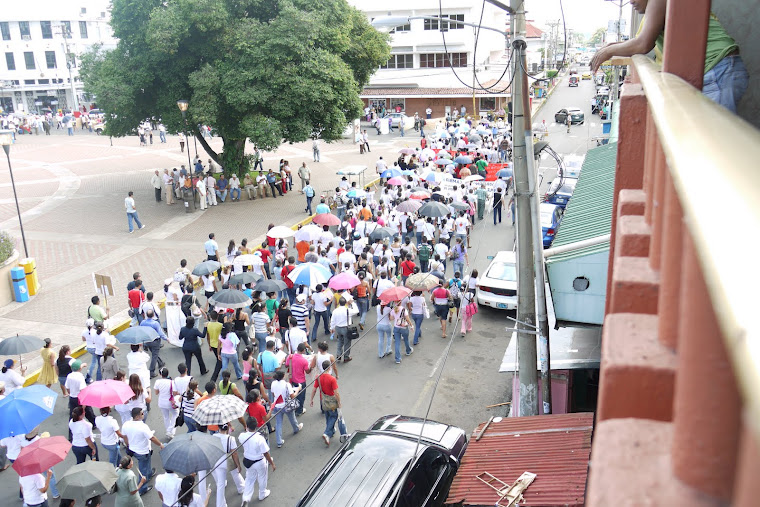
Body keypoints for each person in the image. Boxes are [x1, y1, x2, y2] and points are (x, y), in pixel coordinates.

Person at [590, 0, 748, 113]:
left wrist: (608, 52)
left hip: (717, 68)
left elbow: (643, 44)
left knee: (713, 144)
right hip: (719, 69)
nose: (631, 1)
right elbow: (640, 41)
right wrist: (611, 47)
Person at [121, 407, 164, 495]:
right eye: (142, 413)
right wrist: (160, 444)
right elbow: (152, 437)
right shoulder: (143, 427)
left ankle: (149, 473)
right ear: (137, 417)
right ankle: (142, 488)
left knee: (146, 464)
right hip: (143, 451)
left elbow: (124, 437)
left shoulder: (126, 424)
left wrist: (128, 445)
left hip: (133, 449)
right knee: (143, 469)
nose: (143, 414)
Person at [310, 360, 347, 446]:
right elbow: (336, 393)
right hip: (332, 402)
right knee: (334, 416)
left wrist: (311, 400)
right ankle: (326, 433)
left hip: (323, 400)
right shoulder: (332, 379)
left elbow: (314, 389)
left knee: (328, 416)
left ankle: (330, 433)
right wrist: (339, 402)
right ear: (329, 367)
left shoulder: (318, 377)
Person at [239, 417, 275, 504]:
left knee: (249, 479)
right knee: (262, 477)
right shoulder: (259, 438)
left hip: (248, 460)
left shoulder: (242, 436)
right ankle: (262, 493)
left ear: (247, 426)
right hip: (259, 461)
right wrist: (272, 463)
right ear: (256, 426)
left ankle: (246, 498)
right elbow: (266, 453)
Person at [211, 424, 245, 507]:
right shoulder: (231, 439)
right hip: (228, 459)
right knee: (235, 473)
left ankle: (220, 504)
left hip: (217, 460)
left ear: (218, 427)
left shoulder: (214, 436)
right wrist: (238, 465)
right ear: (227, 428)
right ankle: (241, 488)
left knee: (220, 484)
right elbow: (235, 454)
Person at [270, 370, 303, 448]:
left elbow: (273, 394)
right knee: (292, 418)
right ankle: (296, 428)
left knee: (278, 423)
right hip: (286, 405)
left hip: (277, 405)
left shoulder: (273, 383)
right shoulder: (286, 384)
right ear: (283, 376)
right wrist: (298, 389)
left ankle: (279, 441)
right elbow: (292, 396)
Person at [154, 368, 179, 441]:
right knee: (175, 414)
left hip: (161, 402)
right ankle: (170, 430)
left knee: (166, 417)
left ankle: (169, 431)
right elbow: (174, 393)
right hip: (170, 402)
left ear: (160, 374)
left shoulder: (157, 382)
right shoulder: (171, 382)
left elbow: (156, 392)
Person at [330, 297, 352, 363]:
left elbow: (333, 320)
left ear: (339, 303)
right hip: (345, 328)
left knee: (340, 341)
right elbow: (356, 311)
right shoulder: (347, 310)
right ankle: (346, 357)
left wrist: (332, 328)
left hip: (338, 328)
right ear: (345, 303)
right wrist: (351, 303)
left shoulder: (335, 310)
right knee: (347, 343)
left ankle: (338, 355)